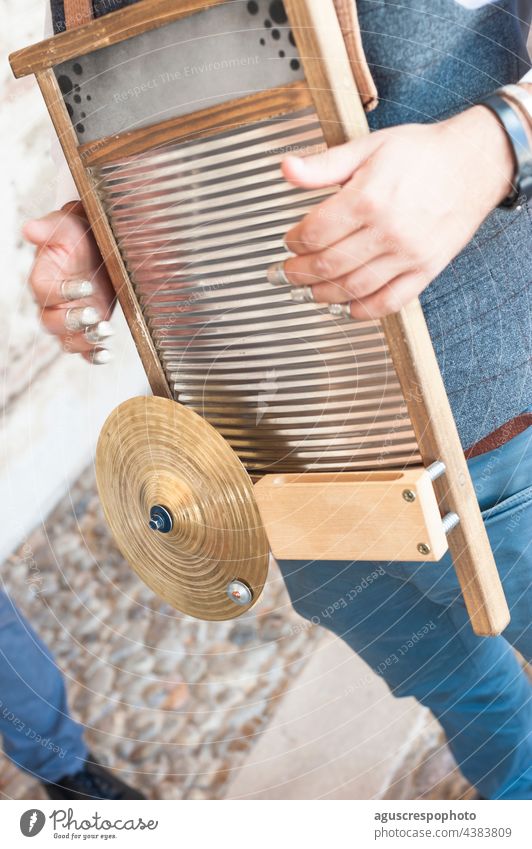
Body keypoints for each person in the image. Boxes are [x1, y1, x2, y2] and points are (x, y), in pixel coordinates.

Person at [23, 0, 531, 800]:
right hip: (290, 483)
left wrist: (499, 144)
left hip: (508, 433)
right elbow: (167, 133)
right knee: (474, 707)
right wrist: (102, 235)